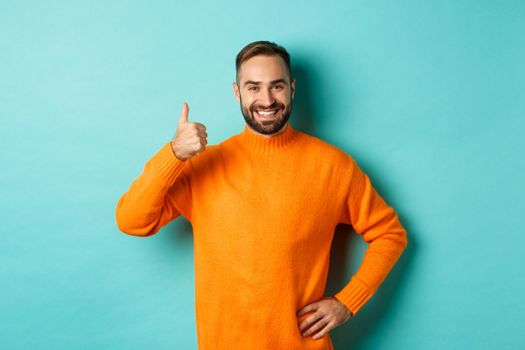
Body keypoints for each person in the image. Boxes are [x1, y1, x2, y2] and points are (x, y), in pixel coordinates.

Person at [115, 40, 408, 350]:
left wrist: (347, 302)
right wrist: (173, 153)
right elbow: (132, 221)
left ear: (292, 88)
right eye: (253, 88)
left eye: (277, 86)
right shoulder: (204, 166)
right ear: (237, 92)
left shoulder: (334, 166)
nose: (266, 100)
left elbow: (389, 234)